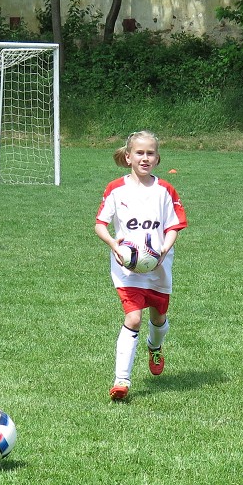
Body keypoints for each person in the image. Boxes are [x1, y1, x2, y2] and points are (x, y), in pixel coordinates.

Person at [95, 131, 188, 401]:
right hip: (126, 269)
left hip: (158, 267)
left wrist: (163, 249)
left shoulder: (165, 190)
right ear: (128, 157)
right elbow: (100, 224)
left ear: (157, 159)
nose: (144, 158)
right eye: (139, 153)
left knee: (158, 318)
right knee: (133, 317)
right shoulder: (115, 189)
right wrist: (114, 243)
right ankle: (121, 380)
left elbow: (173, 227)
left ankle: (155, 346)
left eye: (150, 153)